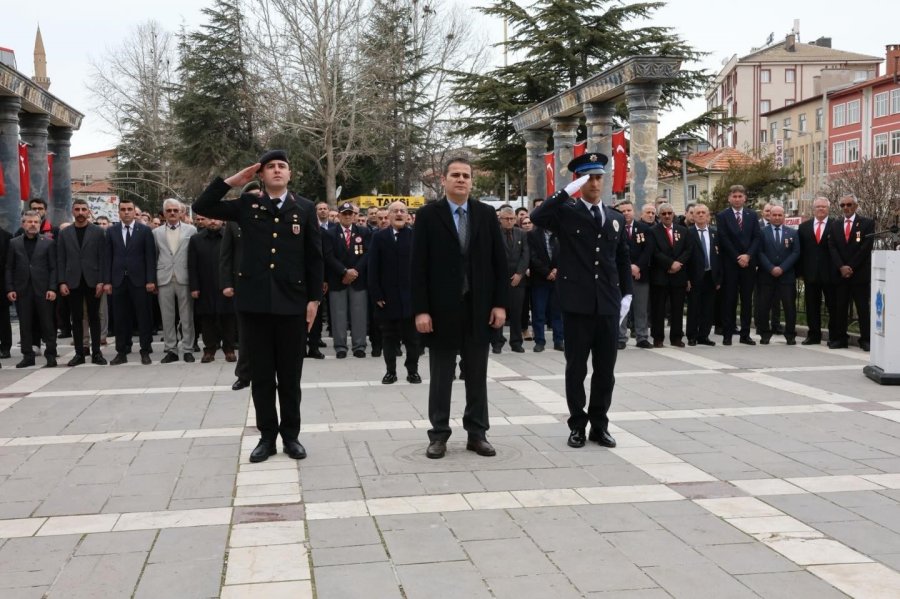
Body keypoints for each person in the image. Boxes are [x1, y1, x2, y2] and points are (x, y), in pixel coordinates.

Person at [194, 150, 322, 463]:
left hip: (292, 304)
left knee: (290, 377)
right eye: (271, 167)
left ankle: (291, 436)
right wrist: (234, 181)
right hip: (254, 305)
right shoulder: (248, 204)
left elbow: (314, 257)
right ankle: (267, 437)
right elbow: (202, 206)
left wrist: (314, 300)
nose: (277, 170)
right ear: (261, 175)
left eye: (283, 166)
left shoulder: (304, 208)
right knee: (262, 376)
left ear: (290, 175)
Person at [530, 152, 632, 449]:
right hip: (577, 304)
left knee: (605, 371)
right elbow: (537, 217)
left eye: (599, 177)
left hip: (608, 305)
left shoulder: (614, 218)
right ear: (580, 182)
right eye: (590, 178)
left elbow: (621, 257)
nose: (596, 183)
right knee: (576, 369)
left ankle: (600, 425)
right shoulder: (566, 212)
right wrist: (564, 193)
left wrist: (625, 293)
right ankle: (577, 425)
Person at [412, 157, 508, 459]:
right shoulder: (429, 215)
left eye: (466, 175)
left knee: (477, 375)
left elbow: (499, 264)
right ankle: (438, 435)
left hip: (478, 308)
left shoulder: (485, 214)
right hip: (440, 311)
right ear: (444, 179)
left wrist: (500, 304)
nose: (461, 180)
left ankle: (477, 433)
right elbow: (418, 267)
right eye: (455, 175)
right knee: (441, 376)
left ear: (472, 181)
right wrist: (421, 310)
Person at [368, 201, 421, 384]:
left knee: (412, 339)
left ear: (408, 216)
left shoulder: (415, 236)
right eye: (395, 211)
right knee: (389, 338)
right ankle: (390, 371)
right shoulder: (379, 237)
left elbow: (422, 268)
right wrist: (377, 295)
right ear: (388, 216)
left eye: (402, 211)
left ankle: (412, 371)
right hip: (387, 298)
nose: (399, 214)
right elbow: (373, 268)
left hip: (410, 299)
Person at [103, 198, 157, 365]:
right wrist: (107, 281)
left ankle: (145, 350)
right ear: (118, 212)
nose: (126, 212)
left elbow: (150, 256)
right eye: (123, 209)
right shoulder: (111, 231)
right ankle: (122, 351)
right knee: (120, 318)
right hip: (118, 281)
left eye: (129, 209)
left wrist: (150, 280)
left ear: (135, 212)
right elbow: (107, 258)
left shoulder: (145, 231)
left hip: (140, 281)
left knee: (143, 317)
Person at [56, 199, 108, 366]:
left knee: (94, 318)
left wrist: (101, 280)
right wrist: (62, 282)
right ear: (73, 212)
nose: (80, 212)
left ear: (88, 212)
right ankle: (79, 353)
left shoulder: (99, 232)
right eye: (77, 209)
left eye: (83, 209)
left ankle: (97, 353)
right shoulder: (65, 233)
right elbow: (61, 259)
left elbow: (103, 258)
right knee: (76, 318)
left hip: (93, 281)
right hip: (73, 281)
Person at [6, 211, 57, 368]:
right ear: (23, 224)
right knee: (25, 325)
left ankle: (50, 355)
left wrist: (52, 288)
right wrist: (10, 288)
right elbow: (9, 267)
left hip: (43, 290)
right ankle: (27, 355)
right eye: (29, 222)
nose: (33, 224)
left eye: (36, 221)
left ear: (40, 223)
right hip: (22, 290)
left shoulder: (48, 242)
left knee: (47, 324)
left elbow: (54, 268)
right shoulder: (14, 243)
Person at [828, 194, 874, 351]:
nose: (846, 208)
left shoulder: (867, 223)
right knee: (840, 308)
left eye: (849, 204)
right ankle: (841, 338)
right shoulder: (835, 224)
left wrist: (850, 267)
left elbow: (865, 248)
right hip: (841, 275)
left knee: (862, 308)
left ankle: (866, 339)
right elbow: (832, 247)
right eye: (842, 205)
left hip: (859, 274)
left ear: (855, 205)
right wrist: (841, 267)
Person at [153, 199, 198, 363]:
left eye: (175, 210)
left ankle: (188, 349)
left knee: (187, 316)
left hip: (184, 277)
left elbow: (194, 256)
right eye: (169, 210)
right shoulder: (156, 233)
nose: (172, 213)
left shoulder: (191, 230)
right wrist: (153, 280)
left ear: (181, 212)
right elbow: (154, 256)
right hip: (164, 278)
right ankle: (171, 349)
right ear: (164, 213)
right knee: (167, 316)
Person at [325, 202, 370, 359]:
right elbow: (328, 256)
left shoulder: (363, 232)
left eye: (351, 213)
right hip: (338, 279)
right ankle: (340, 346)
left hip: (358, 279)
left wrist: (354, 272)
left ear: (354, 215)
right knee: (338, 314)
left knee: (359, 313)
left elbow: (367, 254)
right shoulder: (330, 234)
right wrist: (344, 271)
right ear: (339, 215)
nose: (348, 216)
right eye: (344, 213)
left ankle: (359, 346)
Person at [716, 185, 760, 345]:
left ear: (745, 198)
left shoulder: (752, 215)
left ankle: (745, 334)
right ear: (729, 198)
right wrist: (737, 257)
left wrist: (748, 255)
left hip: (748, 264)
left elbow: (757, 237)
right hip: (731, 264)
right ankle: (727, 334)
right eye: (734, 196)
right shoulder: (722, 216)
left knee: (747, 300)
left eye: (740, 196)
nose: (737, 199)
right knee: (730, 300)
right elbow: (723, 238)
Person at [189, 218, 236, 362]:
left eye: (216, 219)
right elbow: (192, 265)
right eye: (209, 218)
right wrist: (194, 287)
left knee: (228, 318)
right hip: (205, 285)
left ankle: (229, 349)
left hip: (226, 285)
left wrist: (234, 284)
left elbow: (235, 261)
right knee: (207, 319)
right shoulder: (196, 239)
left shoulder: (231, 237)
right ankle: (209, 350)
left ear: (222, 221)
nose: (213, 222)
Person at [647, 203, 693, 348]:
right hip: (660, 275)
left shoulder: (683, 231)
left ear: (673, 214)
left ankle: (676, 337)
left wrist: (678, 263)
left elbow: (688, 250)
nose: (667, 216)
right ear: (659, 216)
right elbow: (654, 252)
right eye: (664, 214)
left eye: (669, 213)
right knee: (658, 309)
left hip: (678, 275)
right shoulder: (653, 231)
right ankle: (658, 337)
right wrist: (669, 264)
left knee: (677, 309)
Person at [756, 205, 800, 345]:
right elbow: (759, 252)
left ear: (784, 216)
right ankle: (764, 333)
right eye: (774, 215)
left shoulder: (792, 233)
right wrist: (770, 268)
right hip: (766, 276)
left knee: (789, 307)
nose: (776, 217)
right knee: (764, 306)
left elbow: (796, 252)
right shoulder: (762, 232)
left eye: (779, 215)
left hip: (786, 276)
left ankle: (790, 335)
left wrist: (782, 268)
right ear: (769, 216)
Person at [798, 197, 837, 345]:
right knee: (812, 306)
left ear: (828, 209)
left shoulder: (835, 225)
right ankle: (813, 335)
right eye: (818, 207)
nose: (821, 209)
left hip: (831, 274)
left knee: (833, 306)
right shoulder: (804, 227)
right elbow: (800, 252)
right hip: (810, 274)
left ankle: (834, 335)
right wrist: (801, 272)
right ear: (813, 209)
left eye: (824, 207)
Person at [491, 206, 529, 354]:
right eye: (506, 219)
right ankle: (497, 342)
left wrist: (520, 274)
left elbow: (525, 255)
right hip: (500, 279)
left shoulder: (521, 234)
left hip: (518, 280)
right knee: (499, 311)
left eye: (512, 218)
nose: (509, 221)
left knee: (516, 312)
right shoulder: (494, 233)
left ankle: (516, 342)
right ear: (500, 219)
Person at [616, 200, 652, 349]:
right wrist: (628, 268)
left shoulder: (643, 229)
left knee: (641, 308)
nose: (626, 213)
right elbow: (613, 252)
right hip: (621, 275)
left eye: (628, 210)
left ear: (634, 211)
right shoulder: (615, 228)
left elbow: (648, 250)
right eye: (622, 211)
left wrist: (637, 267)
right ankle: (620, 337)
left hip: (640, 274)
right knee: (622, 307)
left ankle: (642, 336)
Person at [685, 204, 721, 346]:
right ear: (693, 216)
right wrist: (686, 278)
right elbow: (685, 257)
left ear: (708, 216)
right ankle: (692, 336)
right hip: (694, 276)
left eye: (703, 213)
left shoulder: (715, 233)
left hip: (710, 275)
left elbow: (719, 256)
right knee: (694, 307)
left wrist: (719, 278)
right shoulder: (688, 232)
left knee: (708, 308)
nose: (700, 215)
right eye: (697, 213)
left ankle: (704, 335)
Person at [527, 222, 563, 352]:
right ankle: (539, 341)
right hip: (540, 279)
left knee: (557, 312)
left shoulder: (561, 233)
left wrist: (557, 270)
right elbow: (532, 256)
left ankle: (559, 340)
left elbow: (566, 253)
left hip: (558, 278)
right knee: (538, 312)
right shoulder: (532, 235)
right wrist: (546, 272)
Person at [0, 224, 12, 358]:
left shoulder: (6, 236)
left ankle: (5, 347)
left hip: (1, 285)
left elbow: (8, 264)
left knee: (3, 318)